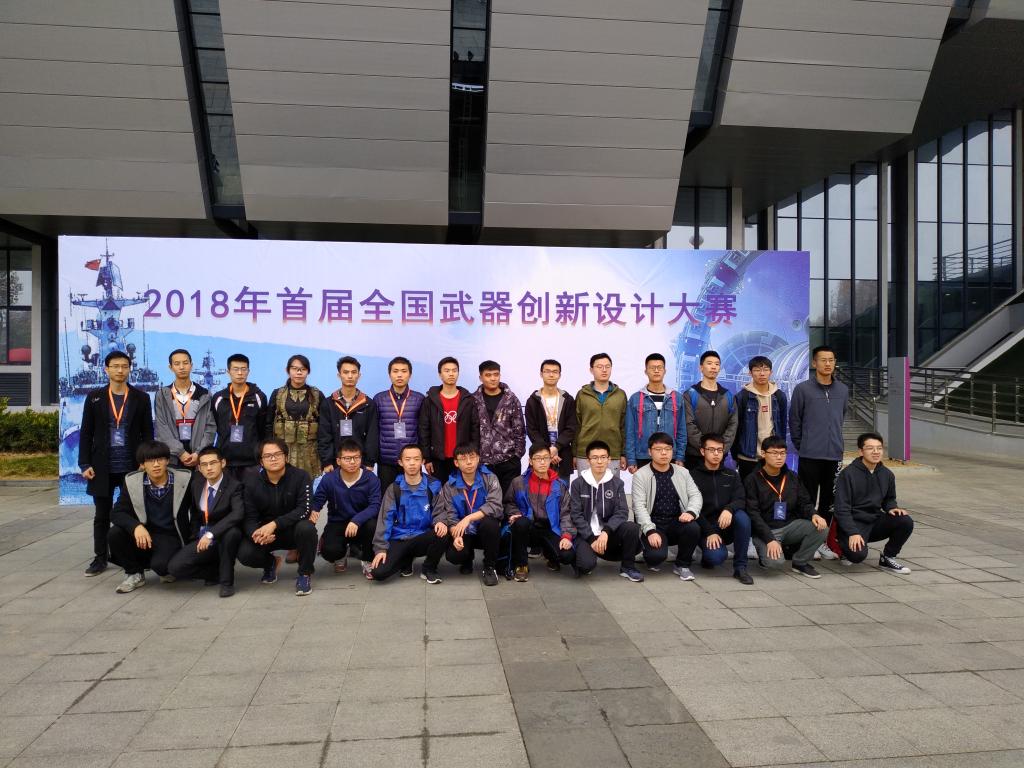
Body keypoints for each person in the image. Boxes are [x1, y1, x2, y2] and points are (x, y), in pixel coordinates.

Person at [79, 350, 154, 577]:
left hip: (132, 467)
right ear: (106, 369)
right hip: (102, 467)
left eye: (124, 366)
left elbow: (147, 433)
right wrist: (84, 464)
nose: (120, 370)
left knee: (136, 512)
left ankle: (136, 555)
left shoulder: (141, 397)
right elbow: (86, 433)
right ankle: (100, 558)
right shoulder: (95, 397)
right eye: (115, 366)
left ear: (130, 369)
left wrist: (145, 461)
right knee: (102, 515)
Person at [789, 345, 850, 561]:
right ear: (814, 363)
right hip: (810, 455)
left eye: (831, 360)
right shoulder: (803, 389)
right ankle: (808, 541)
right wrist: (803, 444)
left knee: (828, 501)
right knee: (807, 500)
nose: (827, 364)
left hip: (834, 455)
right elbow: (795, 420)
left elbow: (841, 417)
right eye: (823, 360)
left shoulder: (843, 390)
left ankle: (822, 541)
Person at [107, 441, 190, 594]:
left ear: (167, 460)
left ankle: (163, 566)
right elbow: (117, 512)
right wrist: (136, 527)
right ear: (142, 464)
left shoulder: (183, 479)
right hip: (145, 533)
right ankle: (134, 573)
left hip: (170, 535)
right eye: (150, 461)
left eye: (160, 459)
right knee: (115, 533)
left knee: (161, 567)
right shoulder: (133, 481)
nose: (156, 465)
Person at [237, 439, 317, 596]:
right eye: (268, 456)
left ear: (286, 457)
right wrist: (256, 534)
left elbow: (304, 510)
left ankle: (304, 574)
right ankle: (270, 563)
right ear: (261, 461)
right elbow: (249, 517)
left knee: (307, 529)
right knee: (245, 553)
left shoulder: (301, 476)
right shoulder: (251, 482)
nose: (273, 459)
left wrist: (275, 524)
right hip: (266, 534)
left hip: (293, 530)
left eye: (278, 454)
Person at [166, 446, 244, 597]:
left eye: (213, 463)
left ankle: (227, 582)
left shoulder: (234, 485)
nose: (209, 468)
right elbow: (195, 514)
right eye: (204, 464)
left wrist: (211, 534)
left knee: (232, 533)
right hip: (203, 535)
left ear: (222, 463)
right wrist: (194, 538)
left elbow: (237, 514)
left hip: (225, 533)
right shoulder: (196, 484)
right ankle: (214, 573)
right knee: (175, 567)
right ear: (199, 468)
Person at [744, 436, 828, 579]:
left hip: (789, 526)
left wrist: (814, 514)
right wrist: (770, 539)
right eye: (774, 453)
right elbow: (753, 514)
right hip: (765, 529)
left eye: (782, 453)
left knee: (821, 527)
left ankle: (800, 562)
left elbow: (804, 502)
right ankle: (764, 554)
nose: (779, 457)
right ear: (763, 454)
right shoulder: (752, 480)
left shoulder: (792, 477)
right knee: (775, 563)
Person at [833, 433, 914, 574]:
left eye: (879, 448)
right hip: (854, 523)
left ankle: (888, 557)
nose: (876, 452)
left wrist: (892, 508)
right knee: (857, 556)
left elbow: (889, 498)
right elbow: (841, 509)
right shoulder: (848, 474)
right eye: (870, 448)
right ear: (861, 451)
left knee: (905, 521)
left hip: (874, 520)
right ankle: (844, 547)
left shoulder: (887, 474)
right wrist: (852, 532)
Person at [370, 444, 448, 583]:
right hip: (400, 537)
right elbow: (385, 519)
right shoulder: (394, 488)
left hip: (422, 537)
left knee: (442, 533)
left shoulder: (433, 485)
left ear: (422, 461)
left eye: (416, 459)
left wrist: (441, 521)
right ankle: (405, 559)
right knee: (378, 573)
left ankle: (429, 569)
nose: (412, 463)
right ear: (400, 462)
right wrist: (380, 548)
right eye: (407, 459)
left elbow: (440, 510)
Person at [631, 432, 702, 581]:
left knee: (693, 527)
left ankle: (682, 565)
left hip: (677, 521)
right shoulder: (641, 475)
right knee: (655, 557)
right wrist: (650, 531)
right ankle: (648, 552)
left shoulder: (683, 472)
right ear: (650, 452)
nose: (664, 453)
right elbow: (639, 507)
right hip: (654, 524)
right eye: (658, 449)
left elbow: (696, 495)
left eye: (668, 449)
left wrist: (691, 512)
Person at [569, 440, 643, 582]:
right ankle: (581, 556)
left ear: (609, 460)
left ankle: (628, 567)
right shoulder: (578, 483)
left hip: (608, 534)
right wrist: (591, 538)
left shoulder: (617, 483)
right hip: (587, 536)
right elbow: (576, 515)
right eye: (595, 458)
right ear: (588, 460)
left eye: (603, 457)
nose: (599, 461)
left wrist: (606, 531)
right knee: (585, 566)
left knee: (631, 527)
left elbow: (622, 511)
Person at [311, 439, 382, 579]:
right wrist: (314, 511)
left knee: (373, 526)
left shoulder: (371, 478)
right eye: (347, 458)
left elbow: (375, 505)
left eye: (356, 457)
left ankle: (367, 559)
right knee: (330, 552)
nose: (352, 462)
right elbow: (318, 500)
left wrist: (357, 520)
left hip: (363, 522)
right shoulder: (329, 479)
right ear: (338, 461)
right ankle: (340, 554)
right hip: (338, 522)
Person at [504, 443, 576, 581]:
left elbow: (566, 513)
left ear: (551, 459)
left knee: (567, 556)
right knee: (521, 523)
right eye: (538, 458)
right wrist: (515, 513)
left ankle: (551, 556)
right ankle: (521, 565)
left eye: (546, 458)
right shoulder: (518, 482)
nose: (542, 462)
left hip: (550, 528)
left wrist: (567, 536)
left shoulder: (560, 485)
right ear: (530, 461)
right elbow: (508, 503)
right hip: (528, 526)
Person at [690, 433, 754, 585]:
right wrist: (709, 532)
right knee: (716, 557)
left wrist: (729, 509)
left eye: (719, 450)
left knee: (743, 518)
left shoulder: (731, 475)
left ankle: (740, 567)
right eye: (711, 450)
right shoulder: (692, 476)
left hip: (726, 525)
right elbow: (691, 508)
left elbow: (740, 499)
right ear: (702, 451)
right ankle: (706, 554)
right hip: (705, 528)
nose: (716, 454)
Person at [440, 443, 504, 586]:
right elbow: (450, 515)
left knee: (491, 524)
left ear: (478, 459)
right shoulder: (449, 486)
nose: (469, 462)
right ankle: (467, 558)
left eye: (472, 457)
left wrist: (469, 518)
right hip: (464, 531)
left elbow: (495, 505)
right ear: (456, 463)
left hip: (484, 529)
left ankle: (489, 566)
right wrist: (456, 536)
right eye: (463, 458)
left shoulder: (490, 478)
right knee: (453, 556)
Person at [419, 356, 479, 484]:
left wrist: (473, 454)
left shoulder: (468, 400)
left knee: (461, 491)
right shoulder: (430, 400)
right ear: (440, 375)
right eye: (447, 371)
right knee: (438, 492)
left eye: (454, 370)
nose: (451, 374)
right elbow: (424, 430)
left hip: (463, 457)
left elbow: (475, 429)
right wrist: (427, 458)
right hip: (438, 458)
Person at [154, 348, 215, 469]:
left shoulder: (205, 395)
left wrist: (198, 453)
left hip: (199, 459)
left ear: (191, 365)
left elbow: (210, 428)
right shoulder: (162, 395)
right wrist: (180, 452)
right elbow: (162, 428)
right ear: (170, 367)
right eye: (177, 364)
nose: (182, 367)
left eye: (185, 363)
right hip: (172, 458)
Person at [211, 353, 268, 482]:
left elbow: (263, 428)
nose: (240, 373)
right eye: (235, 369)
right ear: (228, 372)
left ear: (248, 371)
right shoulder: (218, 398)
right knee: (227, 494)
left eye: (243, 369)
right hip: (225, 461)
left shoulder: (259, 397)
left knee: (251, 494)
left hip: (251, 462)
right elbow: (216, 426)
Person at [471, 360, 526, 494]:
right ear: (480, 377)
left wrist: (517, 456)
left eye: (496, 374)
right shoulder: (473, 400)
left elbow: (520, 429)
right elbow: (469, 430)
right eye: (488, 375)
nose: (493, 378)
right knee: (486, 502)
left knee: (510, 501)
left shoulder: (511, 399)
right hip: (483, 463)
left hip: (509, 461)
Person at [318, 355, 379, 474]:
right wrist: (327, 461)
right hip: (335, 462)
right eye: (346, 372)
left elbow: (372, 435)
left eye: (354, 372)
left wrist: (369, 462)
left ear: (359, 375)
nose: (350, 376)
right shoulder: (328, 403)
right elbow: (324, 435)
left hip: (360, 462)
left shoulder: (368, 403)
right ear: (339, 375)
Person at [626, 353, 685, 473]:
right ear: (646, 371)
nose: (656, 371)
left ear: (665, 371)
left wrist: (680, 456)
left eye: (660, 367)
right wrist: (631, 459)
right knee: (645, 486)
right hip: (643, 455)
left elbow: (681, 430)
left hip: (669, 455)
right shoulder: (635, 399)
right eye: (652, 368)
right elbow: (630, 432)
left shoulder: (677, 398)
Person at [266, 354, 324, 477]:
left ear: (308, 371)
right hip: (282, 449)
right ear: (287, 370)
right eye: (294, 368)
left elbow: (324, 426)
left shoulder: (317, 395)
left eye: (303, 369)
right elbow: (268, 423)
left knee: (306, 483)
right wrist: (270, 449)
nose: (299, 372)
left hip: (310, 452)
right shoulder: (278, 394)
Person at [373, 356, 425, 491]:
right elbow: (374, 430)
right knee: (387, 497)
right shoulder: (379, 399)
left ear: (410, 375)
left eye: (404, 371)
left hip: (411, 461)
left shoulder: (419, 399)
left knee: (413, 496)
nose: (399, 375)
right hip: (386, 461)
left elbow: (423, 430)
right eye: (395, 371)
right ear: (389, 374)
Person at [733, 355, 787, 481]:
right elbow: (735, 427)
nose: (762, 374)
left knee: (772, 490)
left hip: (772, 456)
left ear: (771, 372)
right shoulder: (742, 397)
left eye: (765, 369)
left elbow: (783, 426)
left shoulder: (779, 396)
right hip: (748, 457)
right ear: (750, 373)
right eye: (757, 370)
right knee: (748, 490)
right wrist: (736, 454)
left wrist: (780, 450)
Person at [524, 359, 578, 481]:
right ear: (541, 374)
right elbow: (531, 430)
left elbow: (571, 428)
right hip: (540, 456)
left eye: (555, 372)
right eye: (547, 371)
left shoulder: (567, 399)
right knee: (539, 490)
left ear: (560, 375)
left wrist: (556, 447)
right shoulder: (532, 401)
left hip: (563, 456)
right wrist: (547, 451)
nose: (551, 375)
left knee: (562, 490)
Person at [575, 353, 628, 476]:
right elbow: (576, 425)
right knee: (585, 487)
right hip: (585, 453)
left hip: (612, 453)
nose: (604, 370)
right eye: (599, 367)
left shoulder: (620, 395)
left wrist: (623, 453)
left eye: (607, 366)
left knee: (612, 487)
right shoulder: (582, 394)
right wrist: (574, 454)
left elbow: (624, 425)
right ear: (591, 370)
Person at [683, 350, 737, 470]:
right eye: (709, 363)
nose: (713, 367)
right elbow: (688, 424)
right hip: (695, 455)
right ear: (701, 368)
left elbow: (733, 424)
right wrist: (705, 448)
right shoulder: (690, 394)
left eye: (717, 364)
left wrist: (720, 448)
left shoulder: (728, 396)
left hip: (719, 456)